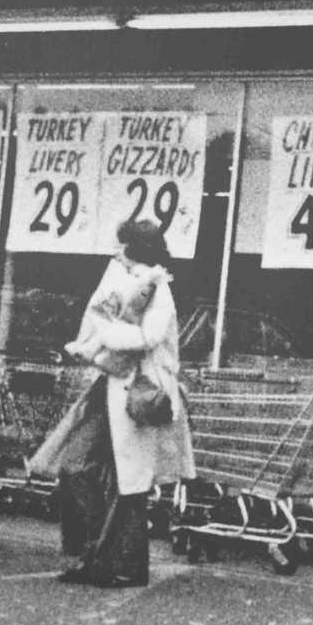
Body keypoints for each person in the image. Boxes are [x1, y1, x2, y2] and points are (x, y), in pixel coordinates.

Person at [30, 219, 194, 587]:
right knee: (78, 465)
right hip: (115, 387)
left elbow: (148, 336)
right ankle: (101, 555)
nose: (115, 251)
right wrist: (87, 347)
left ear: (135, 249)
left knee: (128, 485)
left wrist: (101, 335)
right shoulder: (136, 284)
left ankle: (118, 565)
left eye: (121, 245)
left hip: (140, 392)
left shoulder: (158, 288)